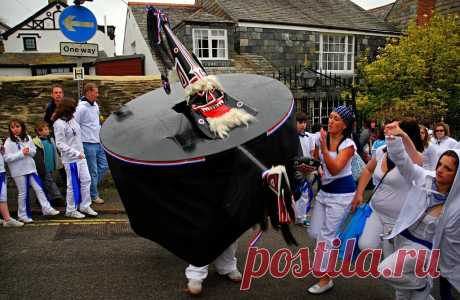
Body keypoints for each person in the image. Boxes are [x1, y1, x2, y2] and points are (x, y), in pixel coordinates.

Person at [379, 121, 460, 300]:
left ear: (457, 175)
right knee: (402, 294)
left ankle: (422, 284)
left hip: (423, 249)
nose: (440, 170)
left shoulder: (456, 205)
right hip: (400, 237)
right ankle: (422, 290)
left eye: (448, 169)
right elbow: (403, 162)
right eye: (440, 164)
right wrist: (393, 138)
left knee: (386, 271)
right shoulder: (425, 178)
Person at [351, 119, 423, 266]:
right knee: (365, 246)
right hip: (376, 211)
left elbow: (418, 162)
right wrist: (359, 193)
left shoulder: (412, 157)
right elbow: (368, 169)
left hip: (398, 220)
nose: (388, 129)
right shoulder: (381, 151)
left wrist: (403, 136)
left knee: (392, 266)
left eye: (395, 128)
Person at [307, 105, 356, 294]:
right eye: (330, 117)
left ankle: (325, 278)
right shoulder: (322, 140)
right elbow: (316, 163)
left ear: (344, 125)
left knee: (326, 236)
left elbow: (335, 168)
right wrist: (310, 167)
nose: (331, 121)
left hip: (342, 195)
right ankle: (326, 263)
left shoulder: (348, 145)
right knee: (314, 233)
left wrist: (324, 148)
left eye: (336, 118)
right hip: (324, 193)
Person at [3, 119, 60, 223]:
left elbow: (33, 152)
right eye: (12, 127)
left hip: (30, 169)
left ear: (22, 127)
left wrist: (28, 151)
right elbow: (7, 158)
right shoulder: (8, 141)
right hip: (19, 171)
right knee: (23, 193)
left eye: (17, 126)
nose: (15, 129)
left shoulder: (27, 138)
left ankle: (47, 208)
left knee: (39, 188)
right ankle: (22, 215)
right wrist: (21, 153)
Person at [54, 99, 98, 219]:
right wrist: (75, 153)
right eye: (73, 108)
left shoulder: (72, 119)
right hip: (71, 159)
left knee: (86, 180)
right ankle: (70, 209)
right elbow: (60, 144)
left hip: (80, 157)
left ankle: (84, 205)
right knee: (72, 185)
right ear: (67, 109)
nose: (75, 110)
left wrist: (81, 152)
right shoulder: (58, 124)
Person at [74, 83, 108, 205]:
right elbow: (75, 125)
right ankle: (93, 195)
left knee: (105, 166)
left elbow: (97, 121)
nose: (97, 94)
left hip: (98, 142)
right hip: (87, 143)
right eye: (95, 92)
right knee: (92, 171)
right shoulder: (80, 108)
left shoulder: (96, 105)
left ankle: (87, 187)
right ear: (88, 92)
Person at [32, 121, 63, 204]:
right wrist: (40, 167)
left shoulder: (50, 139)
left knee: (45, 182)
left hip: (50, 166)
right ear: (39, 131)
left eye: (47, 129)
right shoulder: (37, 142)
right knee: (49, 181)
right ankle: (57, 198)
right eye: (45, 129)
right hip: (43, 167)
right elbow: (38, 157)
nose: (48, 130)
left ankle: (40, 199)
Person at [294, 112, 316, 226]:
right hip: (297, 168)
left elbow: (312, 154)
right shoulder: (292, 137)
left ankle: (301, 216)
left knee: (306, 193)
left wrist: (314, 168)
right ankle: (299, 217)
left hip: (308, 168)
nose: (303, 125)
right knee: (300, 193)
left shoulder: (310, 137)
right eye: (300, 122)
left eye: (304, 122)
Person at [0, 138, 24, 227]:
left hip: (1, 170)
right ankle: (7, 219)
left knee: (2, 195)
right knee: (2, 195)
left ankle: (7, 219)